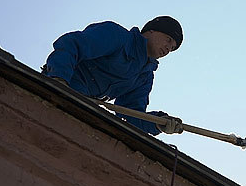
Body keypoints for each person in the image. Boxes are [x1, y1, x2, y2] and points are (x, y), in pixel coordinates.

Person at [42, 16, 184, 135]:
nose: (168, 48)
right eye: (168, 39)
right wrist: (59, 79)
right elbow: (72, 45)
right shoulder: (117, 36)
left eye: (172, 48)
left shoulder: (144, 77)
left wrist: (159, 123)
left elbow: (131, 114)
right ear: (151, 30)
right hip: (59, 90)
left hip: (84, 108)